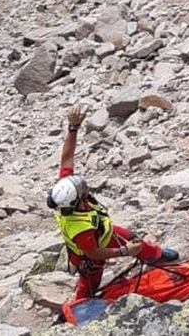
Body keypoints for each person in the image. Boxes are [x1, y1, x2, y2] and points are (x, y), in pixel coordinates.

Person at [48, 105, 179, 300]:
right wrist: (124, 251)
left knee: (135, 240)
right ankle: (81, 305)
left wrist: (73, 128)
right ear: (78, 201)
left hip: (102, 230)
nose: (85, 187)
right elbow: (93, 253)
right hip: (92, 250)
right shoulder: (81, 229)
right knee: (88, 285)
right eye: (83, 190)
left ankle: (154, 254)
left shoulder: (65, 194)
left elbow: (66, 158)